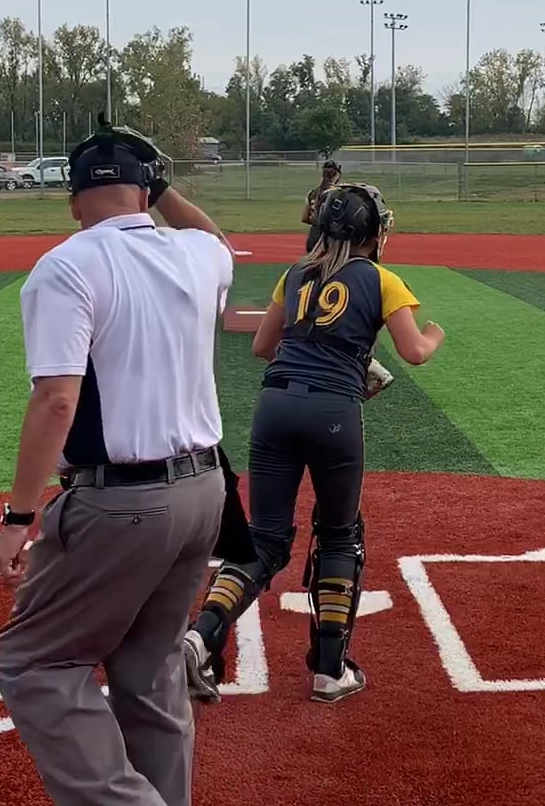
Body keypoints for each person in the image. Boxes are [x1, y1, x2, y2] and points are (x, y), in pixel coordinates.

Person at [0, 121, 236, 806]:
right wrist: (165, 186)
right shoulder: (197, 253)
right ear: (147, 191)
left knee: (33, 662)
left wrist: (18, 516)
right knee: (150, 668)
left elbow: (56, 400)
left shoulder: (68, 264)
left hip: (122, 503)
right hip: (205, 493)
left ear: (73, 200)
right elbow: (215, 238)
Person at [183, 182, 443, 706]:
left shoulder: (296, 273)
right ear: (373, 232)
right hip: (333, 413)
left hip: (275, 405)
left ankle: (200, 636)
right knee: (340, 536)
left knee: (264, 539)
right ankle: (329, 669)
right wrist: (434, 334)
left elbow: (263, 346)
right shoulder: (382, 279)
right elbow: (414, 351)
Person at [299, 158, 396, 397]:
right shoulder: (345, 197)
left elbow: (305, 217)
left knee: (313, 296)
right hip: (338, 249)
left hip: (318, 246)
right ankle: (363, 362)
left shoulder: (316, 193)